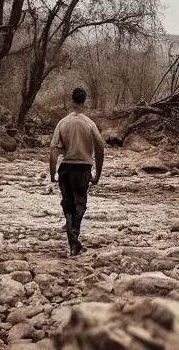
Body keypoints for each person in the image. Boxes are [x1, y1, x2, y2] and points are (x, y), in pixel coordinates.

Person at [49, 87, 105, 256]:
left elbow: (53, 149)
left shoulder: (63, 122)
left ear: (72, 101)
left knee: (67, 202)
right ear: (85, 102)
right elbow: (100, 147)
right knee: (80, 203)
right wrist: (97, 175)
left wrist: (53, 173)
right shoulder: (89, 123)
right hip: (83, 168)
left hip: (66, 167)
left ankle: (71, 235)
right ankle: (74, 234)